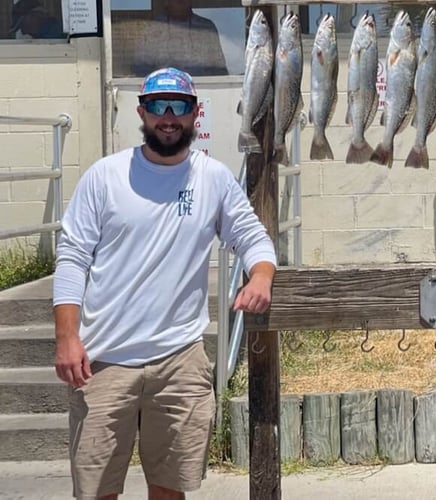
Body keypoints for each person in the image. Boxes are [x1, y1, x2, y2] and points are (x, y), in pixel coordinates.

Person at [52, 67, 276, 499]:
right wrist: (66, 338)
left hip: (180, 360)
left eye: (179, 105)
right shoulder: (105, 176)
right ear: (141, 112)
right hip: (103, 359)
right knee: (96, 490)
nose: (168, 116)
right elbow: (72, 258)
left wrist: (261, 276)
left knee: (171, 488)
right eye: (157, 105)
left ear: (196, 113)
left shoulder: (212, 178)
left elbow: (253, 236)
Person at [131, 0, 228, 76]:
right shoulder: (152, 28)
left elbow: (219, 70)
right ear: (166, 1)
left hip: (199, 92)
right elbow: (140, 69)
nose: (180, 1)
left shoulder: (206, 27)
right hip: (163, 91)